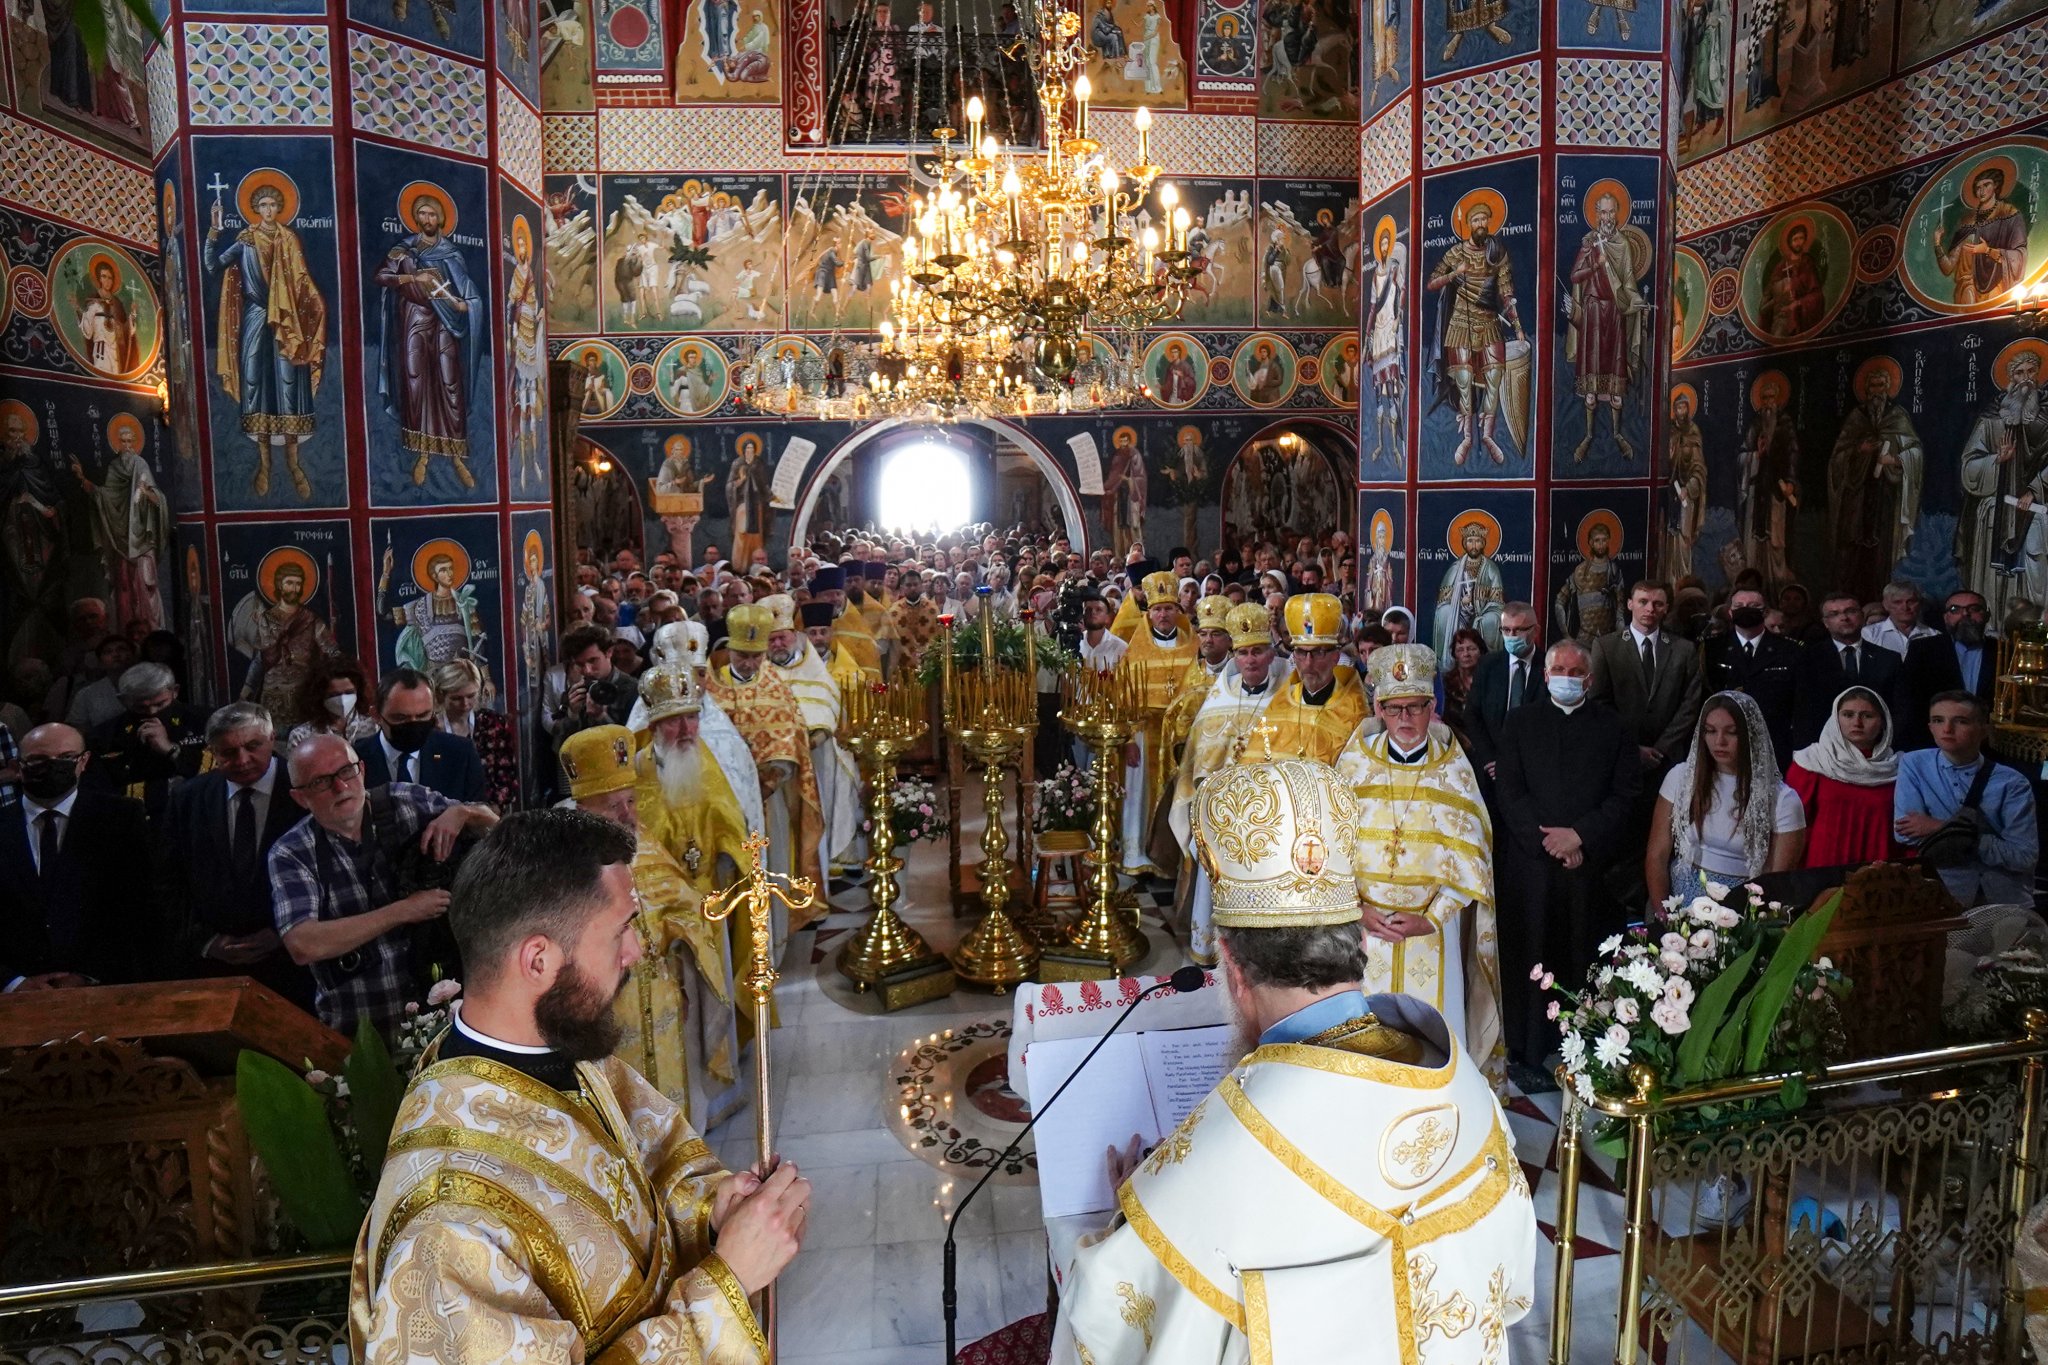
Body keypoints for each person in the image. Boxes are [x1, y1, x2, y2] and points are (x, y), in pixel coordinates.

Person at [1051, 757, 1537, 1361]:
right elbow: (1512, 1288)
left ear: (1231, 969)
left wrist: (1137, 1212)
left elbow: (1105, 1318)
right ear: (1360, 941)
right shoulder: (1468, 1091)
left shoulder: (1215, 1162)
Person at [348, 810, 808, 1365]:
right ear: (539, 959)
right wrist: (726, 1283)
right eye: (620, 930)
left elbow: (645, 1177)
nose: (637, 951)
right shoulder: (446, 1231)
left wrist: (710, 1215)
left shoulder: (562, 1051)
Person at [1335, 643, 1505, 1088]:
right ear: (1379, 707)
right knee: (1362, 1048)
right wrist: (1357, 909)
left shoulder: (1454, 772)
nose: (1406, 719)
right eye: (1394, 709)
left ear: (1433, 707)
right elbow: (1328, 853)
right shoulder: (1352, 767)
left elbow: (1474, 864)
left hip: (1432, 934)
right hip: (1363, 930)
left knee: (1433, 1052)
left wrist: (1431, 919)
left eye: (1416, 707)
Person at [269, 731, 500, 1035]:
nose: (341, 786)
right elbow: (303, 944)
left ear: (361, 769)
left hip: (447, 1018)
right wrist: (404, 910)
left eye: (346, 771)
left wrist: (462, 812)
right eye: (321, 782)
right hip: (362, 1028)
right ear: (300, 797)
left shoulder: (404, 800)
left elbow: (497, 827)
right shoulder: (291, 852)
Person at [1493, 639, 1641, 1069]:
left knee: (1585, 955)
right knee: (1531, 953)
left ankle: (1589, 1043)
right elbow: (1510, 793)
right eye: (1560, 670)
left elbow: (1625, 795)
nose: (1567, 678)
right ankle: (1527, 1045)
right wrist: (1551, 843)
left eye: (1577, 673)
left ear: (1590, 680)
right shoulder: (1519, 722)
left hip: (1590, 870)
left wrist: (1580, 836)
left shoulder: (1614, 727)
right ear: (1545, 675)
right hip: (1532, 868)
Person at [157, 703, 313, 1008]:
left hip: (296, 966)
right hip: (215, 968)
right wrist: (207, 942)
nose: (242, 760)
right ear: (212, 752)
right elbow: (168, 882)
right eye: (228, 752)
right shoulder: (188, 798)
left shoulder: (307, 788)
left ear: (271, 739)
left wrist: (286, 932)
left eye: (253, 746)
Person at [1168, 603, 1288, 963]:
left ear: (1271, 654)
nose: (1250, 661)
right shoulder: (1219, 701)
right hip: (1222, 819)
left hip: (1269, 818)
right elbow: (1197, 760)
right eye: (1243, 653)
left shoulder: (1286, 700)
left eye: (1257, 652)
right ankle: (1211, 950)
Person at [0, 723, 152, 989]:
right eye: (38, 759)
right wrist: (14, 982)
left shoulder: (122, 818)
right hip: (13, 994)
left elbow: (136, 906)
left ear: (84, 761)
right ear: (18, 766)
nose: (52, 766)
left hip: (101, 986)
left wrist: (89, 975)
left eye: (66, 758)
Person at [705, 605, 825, 934]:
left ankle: (775, 935)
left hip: (769, 799)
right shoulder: (711, 689)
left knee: (771, 869)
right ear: (729, 650)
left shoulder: (777, 688)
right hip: (725, 799)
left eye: (756, 656)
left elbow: (791, 740)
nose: (749, 663)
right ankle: (735, 936)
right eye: (742, 655)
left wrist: (769, 783)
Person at [1646, 692, 1808, 905]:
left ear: (1751, 736)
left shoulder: (1783, 800)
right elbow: (1657, 855)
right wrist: (1662, 916)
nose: (1719, 741)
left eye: (1731, 733)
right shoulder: (1680, 777)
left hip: (1742, 905)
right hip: (1680, 900)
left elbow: (1777, 881)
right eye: (1711, 731)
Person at [1895, 692, 2037, 907]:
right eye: (1938, 720)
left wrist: (1938, 827)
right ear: (1930, 727)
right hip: (1942, 896)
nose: (1947, 729)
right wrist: (1979, 839)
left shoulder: (2012, 782)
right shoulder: (1914, 764)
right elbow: (1905, 832)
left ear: (1984, 730)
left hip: (2005, 899)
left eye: (1960, 721)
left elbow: (2024, 856)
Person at [762, 594, 861, 876]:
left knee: (829, 781)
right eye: (772, 640)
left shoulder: (811, 666)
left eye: (782, 638)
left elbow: (827, 702)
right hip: (774, 758)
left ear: (794, 636)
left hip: (815, 751)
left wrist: (814, 736)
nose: (778, 644)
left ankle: (828, 856)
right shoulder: (761, 672)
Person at [1118, 571, 1197, 878]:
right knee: (1138, 795)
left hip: (1181, 737)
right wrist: (1126, 740)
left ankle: (1174, 857)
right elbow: (1121, 696)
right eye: (1157, 609)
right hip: (1142, 735)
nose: (1163, 614)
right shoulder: (1134, 650)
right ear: (1148, 614)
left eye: (1169, 608)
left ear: (1179, 611)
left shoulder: (1194, 648)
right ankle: (1135, 851)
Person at [1588, 580, 1703, 783]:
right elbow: (1599, 702)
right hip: (1621, 755)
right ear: (1630, 604)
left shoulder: (1683, 650)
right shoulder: (1606, 647)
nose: (1650, 609)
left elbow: (1690, 705)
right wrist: (1632, 747)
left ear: (1666, 608)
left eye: (1658, 604)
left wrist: (1661, 749)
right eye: (1643, 601)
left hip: (1669, 760)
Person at [1787, 686, 1904, 868]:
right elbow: (1792, 824)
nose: (1857, 722)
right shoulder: (1812, 761)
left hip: (1879, 870)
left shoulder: (1899, 768)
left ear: (1883, 722)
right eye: (1848, 715)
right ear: (1835, 719)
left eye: (1867, 716)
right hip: (1822, 868)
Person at [82, 661, 210, 820]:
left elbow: (218, 772)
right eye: (141, 708)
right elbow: (97, 791)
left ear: (174, 691)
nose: (152, 713)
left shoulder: (205, 722)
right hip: (134, 821)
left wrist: (172, 750)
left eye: (160, 704)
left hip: (196, 815)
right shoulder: (103, 736)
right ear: (123, 700)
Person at [1252, 594, 1368, 765]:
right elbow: (1254, 764)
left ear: (1335, 657)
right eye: (1301, 652)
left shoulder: (1354, 713)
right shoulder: (1279, 705)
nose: (1308, 663)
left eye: (1318, 652)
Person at [354, 667, 487, 803]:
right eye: (400, 718)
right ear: (376, 715)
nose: (413, 724)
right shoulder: (355, 759)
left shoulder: (460, 753)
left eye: (423, 715)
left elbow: (480, 812)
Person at [1703, 586, 1801, 766]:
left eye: (1753, 605)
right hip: (1724, 742)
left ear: (1765, 612)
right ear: (1730, 612)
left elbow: (1800, 703)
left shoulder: (1789, 650)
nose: (1746, 609)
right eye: (1739, 605)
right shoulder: (1711, 649)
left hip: (1773, 742)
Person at [1793, 590, 1903, 749]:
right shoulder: (1807, 659)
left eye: (1850, 611)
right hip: (1824, 749)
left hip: (1878, 747)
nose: (1844, 617)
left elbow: (1899, 709)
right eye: (1834, 614)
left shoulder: (1889, 659)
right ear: (1825, 622)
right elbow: (1802, 712)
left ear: (1861, 615)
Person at [1898, 590, 1996, 749]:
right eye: (1954, 610)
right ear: (1945, 618)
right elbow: (1910, 699)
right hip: (1936, 741)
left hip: (1990, 742)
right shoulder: (1924, 649)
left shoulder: (2003, 651)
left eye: (1974, 609)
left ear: (1986, 615)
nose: (1965, 614)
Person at [1461, 601, 1542, 786]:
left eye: (1519, 630)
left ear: (1535, 631)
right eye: (1506, 630)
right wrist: (1490, 759)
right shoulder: (1488, 665)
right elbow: (1473, 714)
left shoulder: (1548, 666)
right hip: (1492, 770)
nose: (1511, 636)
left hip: (1533, 771)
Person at [431, 658, 517, 812]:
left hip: (487, 813)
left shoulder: (493, 723)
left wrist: (491, 811)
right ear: (441, 695)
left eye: (471, 696)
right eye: (457, 698)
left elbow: (507, 775)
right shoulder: (431, 729)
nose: (465, 704)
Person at [552, 624, 638, 741]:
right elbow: (561, 749)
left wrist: (601, 717)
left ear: (609, 652)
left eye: (593, 660)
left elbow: (631, 744)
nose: (587, 670)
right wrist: (573, 715)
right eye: (580, 664)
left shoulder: (632, 690)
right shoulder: (576, 692)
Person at [286, 654, 381, 749]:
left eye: (349, 692)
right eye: (334, 695)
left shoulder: (375, 726)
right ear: (319, 696)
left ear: (358, 691)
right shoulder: (301, 736)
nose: (342, 699)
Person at [63, 634, 137, 733]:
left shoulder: (148, 685)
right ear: (100, 662)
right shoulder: (86, 694)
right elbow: (78, 729)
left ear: (132, 655)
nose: (116, 654)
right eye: (108, 652)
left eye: (122, 649)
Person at [1862, 579, 1938, 657]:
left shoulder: (1935, 636)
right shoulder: (1869, 634)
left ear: (1920, 604)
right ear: (1886, 605)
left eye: (1911, 601)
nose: (1905, 607)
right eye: (1897, 602)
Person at [1441, 627, 1486, 743]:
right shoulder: (1446, 683)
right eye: (1460, 650)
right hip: (1453, 742)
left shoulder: (1490, 681)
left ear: (1481, 652)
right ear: (1454, 654)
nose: (1466, 654)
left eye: (1471, 649)